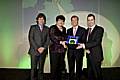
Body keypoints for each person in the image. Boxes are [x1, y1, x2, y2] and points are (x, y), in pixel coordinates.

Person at [80, 14, 104, 80]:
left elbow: (97, 42)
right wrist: (83, 46)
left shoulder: (99, 29)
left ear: (94, 20)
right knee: (90, 74)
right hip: (89, 55)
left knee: (97, 75)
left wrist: (84, 45)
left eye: (91, 20)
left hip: (96, 56)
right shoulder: (87, 30)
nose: (90, 21)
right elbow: (86, 41)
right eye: (88, 20)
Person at [28, 13, 49, 80]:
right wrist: (37, 48)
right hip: (34, 51)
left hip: (43, 51)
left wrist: (43, 48)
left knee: (41, 68)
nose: (41, 20)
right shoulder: (33, 27)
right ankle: (32, 78)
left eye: (43, 19)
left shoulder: (47, 28)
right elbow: (31, 38)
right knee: (33, 68)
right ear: (37, 20)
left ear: (44, 21)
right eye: (40, 19)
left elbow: (48, 39)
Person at [67, 15, 86, 80]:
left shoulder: (83, 30)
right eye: (72, 20)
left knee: (79, 67)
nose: (74, 21)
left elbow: (83, 41)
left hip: (79, 52)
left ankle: (78, 78)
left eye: (75, 20)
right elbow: (68, 41)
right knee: (71, 67)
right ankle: (71, 78)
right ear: (71, 21)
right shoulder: (68, 30)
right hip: (70, 52)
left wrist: (77, 44)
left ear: (78, 21)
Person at [49, 15, 67, 80]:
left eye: (62, 21)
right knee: (54, 67)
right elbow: (53, 38)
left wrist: (65, 42)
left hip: (62, 51)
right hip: (54, 50)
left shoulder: (64, 29)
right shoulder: (52, 28)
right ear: (56, 21)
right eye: (59, 20)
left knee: (61, 67)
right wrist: (61, 42)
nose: (61, 22)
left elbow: (65, 38)